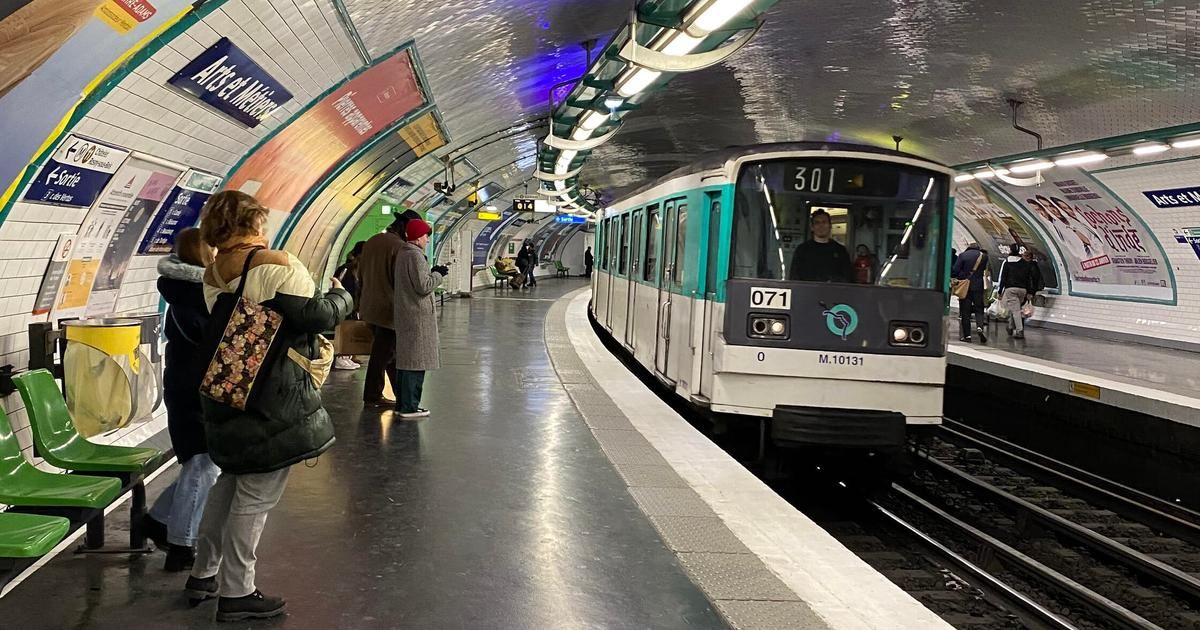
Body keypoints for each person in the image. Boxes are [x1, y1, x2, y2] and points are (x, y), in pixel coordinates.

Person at [187, 191, 352, 621]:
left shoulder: (212, 272)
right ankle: (237, 591)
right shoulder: (276, 263)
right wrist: (343, 296)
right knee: (256, 495)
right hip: (272, 394)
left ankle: (203, 572)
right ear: (253, 223)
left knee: (230, 481)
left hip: (226, 387)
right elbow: (317, 316)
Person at [144, 227, 221, 573]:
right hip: (194, 389)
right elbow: (210, 339)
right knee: (202, 463)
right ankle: (181, 544)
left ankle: (158, 519)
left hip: (187, 384)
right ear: (204, 253)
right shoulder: (196, 294)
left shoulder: (186, 291)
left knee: (202, 463)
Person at [357, 210, 422, 406]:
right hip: (389, 310)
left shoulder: (372, 241)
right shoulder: (401, 248)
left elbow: (360, 274)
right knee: (382, 356)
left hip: (369, 307)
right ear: (405, 227)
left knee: (390, 353)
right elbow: (404, 282)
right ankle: (372, 396)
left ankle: (400, 395)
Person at [393, 218, 447, 419]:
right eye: (425, 236)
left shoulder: (403, 253)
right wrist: (438, 274)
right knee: (416, 362)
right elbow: (423, 286)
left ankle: (403, 404)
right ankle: (410, 407)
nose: (427, 240)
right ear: (417, 237)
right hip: (417, 317)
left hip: (407, 313)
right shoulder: (415, 256)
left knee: (406, 361)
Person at [787, 209, 853, 283]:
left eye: (824, 222)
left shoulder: (840, 251)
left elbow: (848, 278)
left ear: (830, 226)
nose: (821, 226)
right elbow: (794, 277)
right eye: (817, 223)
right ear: (812, 227)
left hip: (833, 290)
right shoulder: (802, 250)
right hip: (807, 290)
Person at [332, 242, 365, 371]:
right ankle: (341, 357)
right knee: (345, 328)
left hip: (349, 303)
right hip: (343, 302)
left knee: (349, 327)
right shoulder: (348, 269)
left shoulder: (355, 268)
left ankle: (347, 355)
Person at [952, 242, 989, 343]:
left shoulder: (963, 255)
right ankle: (980, 326)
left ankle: (967, 336)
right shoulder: (984, 256)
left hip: (965, 287)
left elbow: (955, 270)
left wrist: (961, 275)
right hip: (978, 286)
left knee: (965, 311)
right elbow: (983, 269)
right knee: (979, 308)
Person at [997, 243, 1036, 339]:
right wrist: (1030, 292)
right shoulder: (1025, 264)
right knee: (1015, 307)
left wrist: (1000, 291)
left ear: (1010, 250)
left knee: (1016, 310)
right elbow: (1029, 279)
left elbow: (1003, 278)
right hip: (1023, 290)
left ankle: (1019, 330)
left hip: (1011, 289)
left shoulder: (1007, 263)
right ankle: (1010, 326)